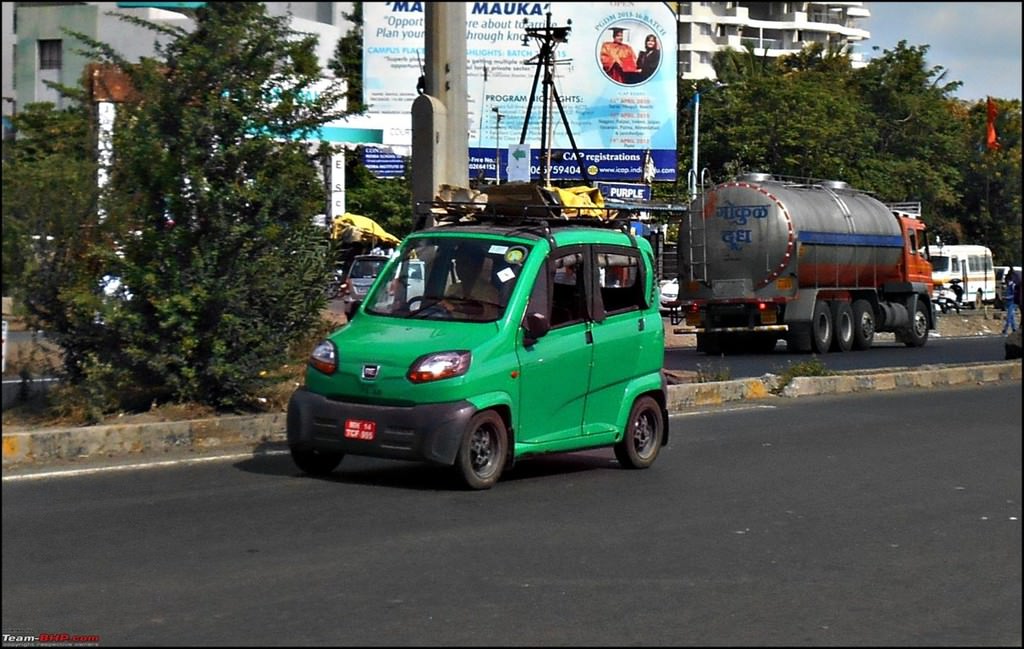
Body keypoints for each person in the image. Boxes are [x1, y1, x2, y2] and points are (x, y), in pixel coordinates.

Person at [1001, 267, 1018, 334]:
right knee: (1012, 317)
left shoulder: (1012, 285)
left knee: (1009, 316)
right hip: (1009, 303)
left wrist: (1007, 298)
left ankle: (1005, 330)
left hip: (1012, 302)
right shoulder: (1009, 285)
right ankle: (1014, 329)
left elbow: (1015, 295)